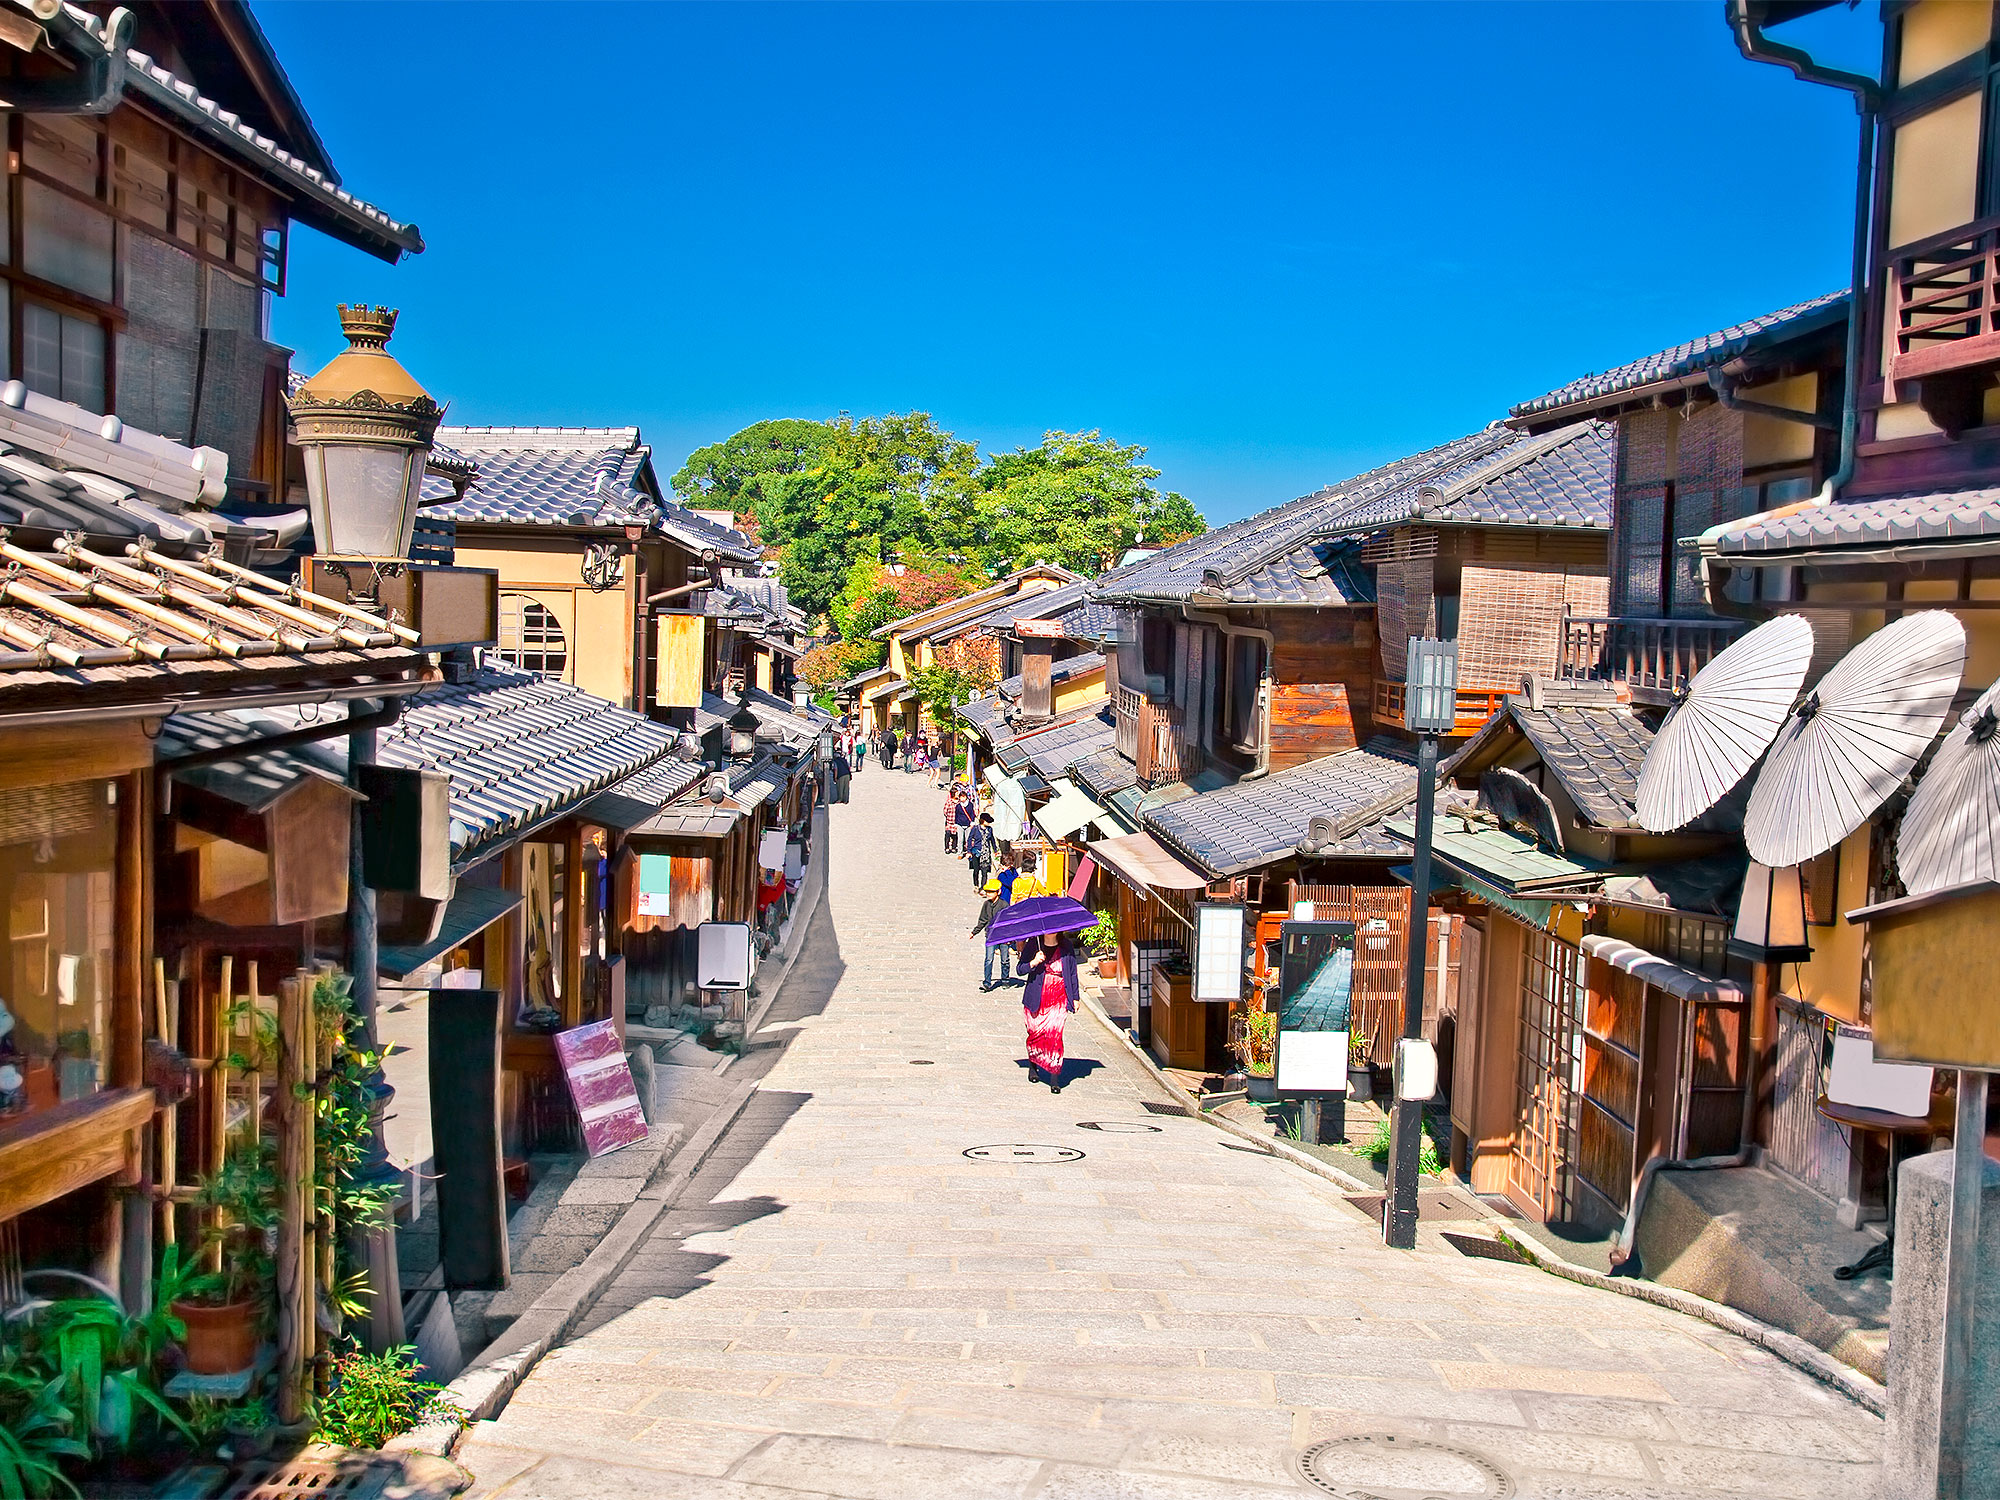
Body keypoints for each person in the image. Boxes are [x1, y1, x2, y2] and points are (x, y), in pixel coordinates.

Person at [1017, 930, 1080, 1090]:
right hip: (1037, 997)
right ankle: (1033, 1066)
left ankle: (1054, 1078)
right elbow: (1020, 969)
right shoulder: (1033, 943)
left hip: (1059, 997)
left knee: (1054, 1035)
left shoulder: (1066, 946)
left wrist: (1076, 997)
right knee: (1035, 1033)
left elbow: (1072, 973)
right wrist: (1033, 962)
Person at [970, 878, 1012, 990]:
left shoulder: (1004, 905)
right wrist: (974, 932)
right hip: (990, 935)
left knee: (1005, 959)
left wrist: (1010, 937)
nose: (988, 894)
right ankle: (987, 982)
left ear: (998, 892)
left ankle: (1005, 979)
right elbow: (983, 920)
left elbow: (1008, 922)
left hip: (1003, 936)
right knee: (989, 959)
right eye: (987, 891)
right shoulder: (986, 904)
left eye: (991, 891)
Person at [967, 812, 996, 890]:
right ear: (983, 821)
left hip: (986, 853)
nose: (989, 823)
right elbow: (969, 839)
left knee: (984, 871)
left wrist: (995, 850)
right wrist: (969, 851)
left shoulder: (989, 829)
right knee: (976, 870)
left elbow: (992, 840)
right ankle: (976, 885)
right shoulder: (975, 829)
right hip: (976, 852)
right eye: (987, 821)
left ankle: (983, 887)